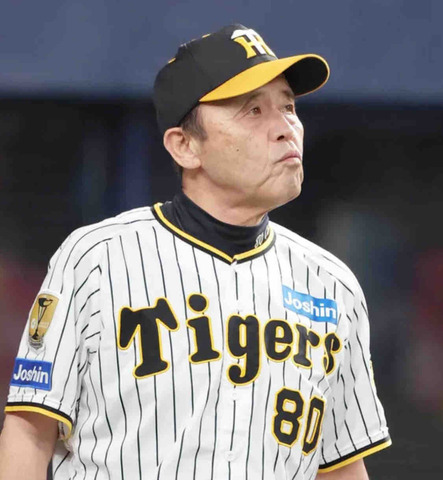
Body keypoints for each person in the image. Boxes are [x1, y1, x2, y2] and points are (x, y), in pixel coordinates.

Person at [0, 24, 391, 480]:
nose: (286, 128)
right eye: (253, 110)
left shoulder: (333, 285)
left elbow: (341, 466)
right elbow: (30, 431)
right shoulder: (96, 259)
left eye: (288, 106)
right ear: (185, 146)